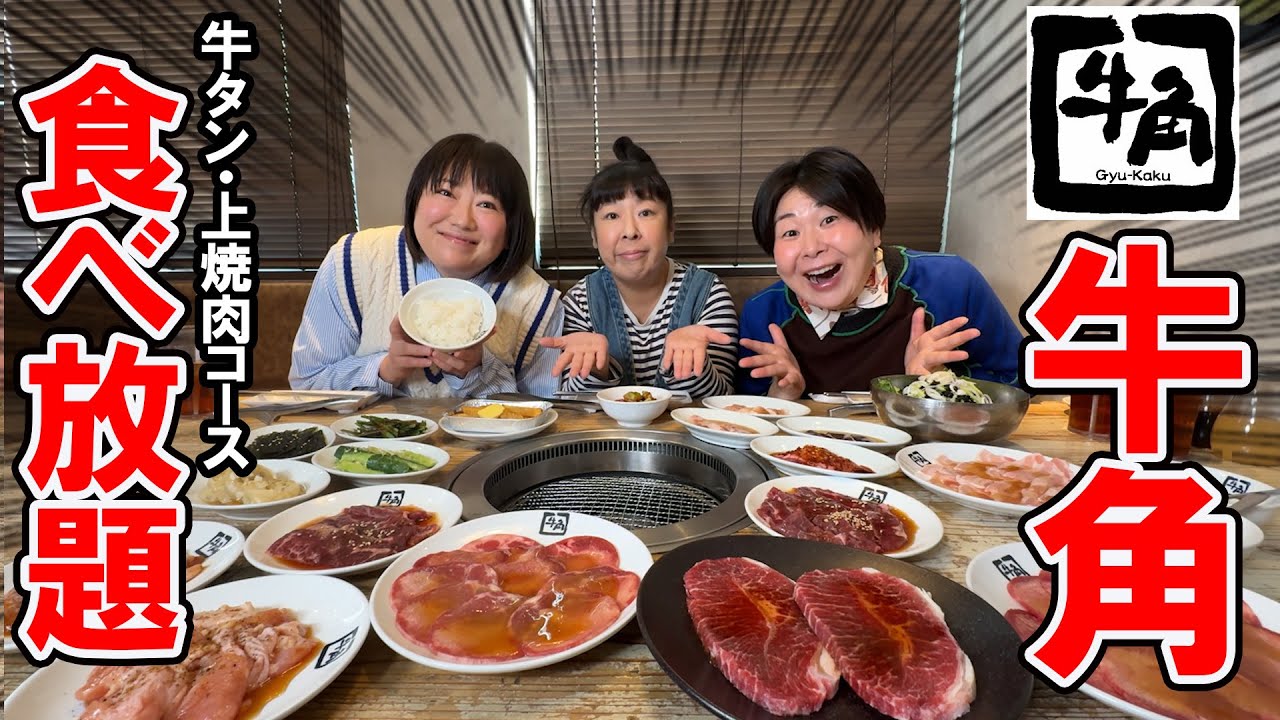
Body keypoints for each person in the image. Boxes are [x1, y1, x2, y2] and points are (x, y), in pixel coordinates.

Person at [290, 134, 563, 398]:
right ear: (416, 199)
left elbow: (546, 412)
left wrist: (477, 371)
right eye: (445, 192)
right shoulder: (354, 261)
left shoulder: (537, 302)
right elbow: (307, 384)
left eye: (486, 204)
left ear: (512, 230)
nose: (462, 220)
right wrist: (387, 368)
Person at [738, 146, 1021, 399]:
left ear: (874, 230)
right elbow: (741, 418)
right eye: (790, 232)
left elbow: (1020, 382)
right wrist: (781, 394)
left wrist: (936, 384)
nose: (811, 248)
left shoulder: (950, 284)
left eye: (829, 219)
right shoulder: (764, 314)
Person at [539, 137, 738, 398]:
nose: (630, 232)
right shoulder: (580, 300)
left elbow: (724, 402)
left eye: (645, 213)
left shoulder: (709, 293)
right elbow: (576, 408)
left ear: (671, 228)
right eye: (612, 216)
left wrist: (692, 366)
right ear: (594, 237)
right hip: (608, 439)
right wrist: (596, 370)